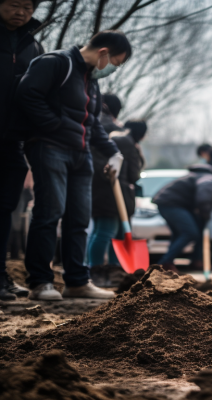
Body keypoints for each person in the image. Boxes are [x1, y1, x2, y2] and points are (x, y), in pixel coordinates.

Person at [15, 30, 132, 301]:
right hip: (50, 147)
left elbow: (91, 123)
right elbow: (27, 95)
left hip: (82, 155)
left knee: (79, 218)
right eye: (116, 62)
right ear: (103, 52)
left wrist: (114, 152)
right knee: (49, 212)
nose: (113, 69)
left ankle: (77, 281)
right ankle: (40, 281)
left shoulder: (91, 80)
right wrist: (56, 127)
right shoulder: (56, 63)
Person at [0, 0, 42, 300]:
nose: (21, 12)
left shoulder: (34, 47)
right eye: (14, 4)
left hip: (12, 141)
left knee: (4, 209)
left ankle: (0, 277)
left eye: (28, 6)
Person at [87, 119, 147, 271]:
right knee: (107, 231)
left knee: (102, 231)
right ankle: (98, 269)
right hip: (114, 194)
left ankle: (104, 268)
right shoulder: (126, 142)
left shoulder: (106, 137)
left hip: (100, 191)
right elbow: (134, 174)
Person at [152, 164, 212, 273]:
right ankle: (164, 263)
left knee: (179, 234)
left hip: (166, 203)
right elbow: (204, 197)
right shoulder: (208, 178)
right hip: (173, 204)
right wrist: (205, 214)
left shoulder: (197, 176)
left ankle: (195, 261)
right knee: (190, 232)